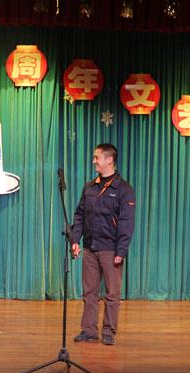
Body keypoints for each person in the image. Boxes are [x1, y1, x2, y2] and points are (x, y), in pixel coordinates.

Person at [70, 143, 136, 346]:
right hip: (90, 248)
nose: (94, 161)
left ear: (109, 160)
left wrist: (121, 251)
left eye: (96, 157)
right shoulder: (89, 187)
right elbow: (79, 215)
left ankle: (109, 331)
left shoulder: (124, 189)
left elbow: (126, 222)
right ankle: (89, 330)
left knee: (112, 293)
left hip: (111, 250)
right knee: (89, 292)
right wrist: (75, 240)